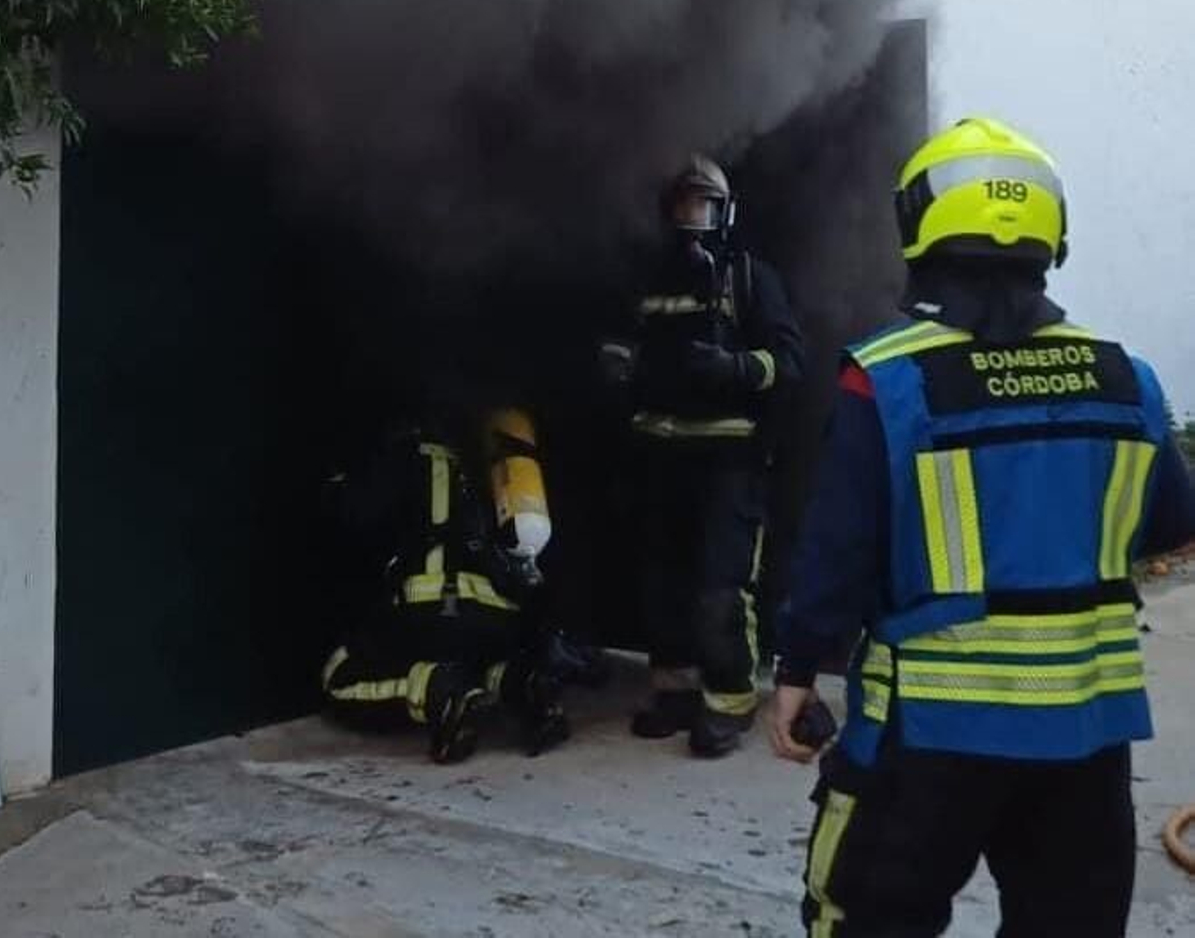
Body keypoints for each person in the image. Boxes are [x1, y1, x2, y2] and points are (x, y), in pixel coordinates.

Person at [770, 117, 1195, 937]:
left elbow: (840, 547)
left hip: (925, 737)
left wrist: (796, 668)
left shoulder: (886, 377)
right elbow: (1170, 520)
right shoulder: (1125, 377)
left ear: (920, 227)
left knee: (867, 917)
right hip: (1085, 740)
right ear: (1050, 234)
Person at [602, 156, 805, 757]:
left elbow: (790, 363)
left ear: (725, 211)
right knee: (664, 583)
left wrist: (736, 367)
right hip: (661, 458)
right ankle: (675, 692)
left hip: (728, 463)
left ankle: (729, 700)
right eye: (683, 204)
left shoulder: (750, 279)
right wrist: (618, 363)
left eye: (704, 204)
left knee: (721, 586)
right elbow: (624, 340)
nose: (693, 216)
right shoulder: (646, 278)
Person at [320, 409, 602, 763]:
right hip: (501, 619)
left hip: (433, 609)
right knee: (476, 660)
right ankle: (524, 685)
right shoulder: (493, 462)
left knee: (340, 678)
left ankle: (442, 693)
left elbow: (355, 516)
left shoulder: (408, 455)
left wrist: (338, 483)